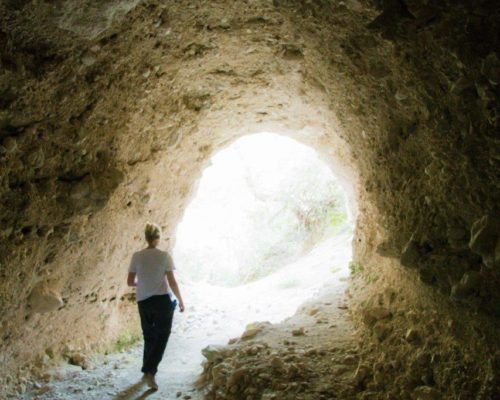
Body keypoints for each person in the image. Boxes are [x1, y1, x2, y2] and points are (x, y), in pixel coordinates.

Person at [127, 223, 185, 390]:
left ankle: (148, 371)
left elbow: (130, 282)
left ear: (146, 238)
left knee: (149, 336)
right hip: (162, 302)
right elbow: (172, 282)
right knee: (162, 337)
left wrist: (143, 283)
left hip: (143, 301)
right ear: (158, 238)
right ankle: (150, 372)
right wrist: (181, 300)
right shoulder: (164, 256)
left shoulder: (136, 256)